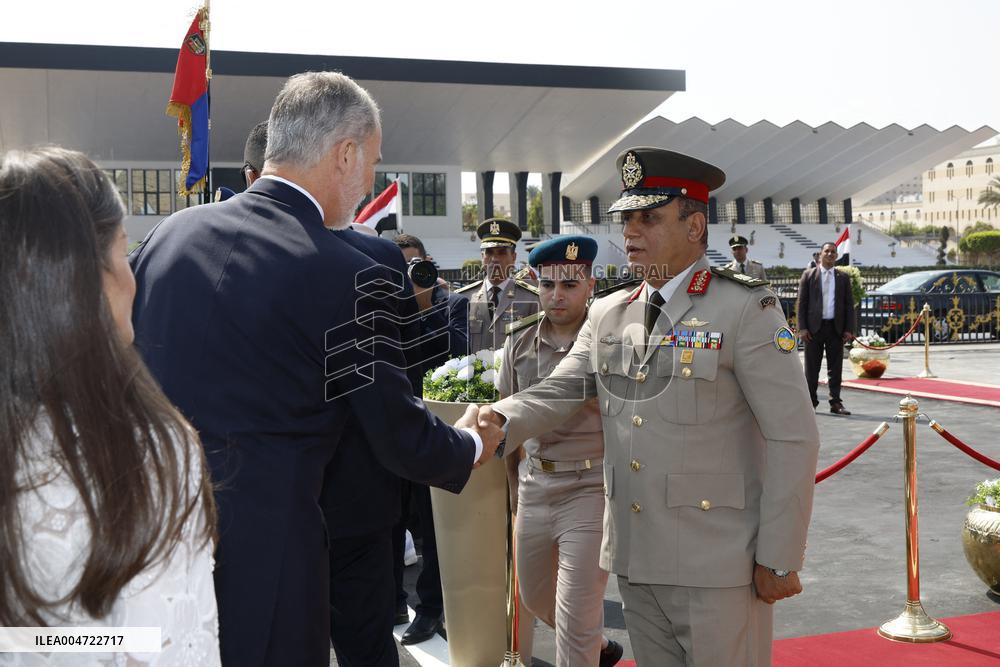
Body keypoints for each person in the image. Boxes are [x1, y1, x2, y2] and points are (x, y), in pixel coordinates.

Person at [129, 71, 502, 666]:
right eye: (373, 162)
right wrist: (469, 444)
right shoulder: (346, 274)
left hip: (157, 530)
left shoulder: (168, 235)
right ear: (346, 154)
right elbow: (396, 430)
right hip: (270, 551)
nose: (370, 181)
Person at [481, 147, 820, 665]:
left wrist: (779, 555)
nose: (631, 233)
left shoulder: (745, 307)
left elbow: (793, 436)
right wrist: (500, 417)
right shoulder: (609, 312)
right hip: (637, 557)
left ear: (695, 226)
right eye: (626, 219)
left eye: (649, 218)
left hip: (718, 564)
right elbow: (564, 388)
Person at [0, 147, 220, 663]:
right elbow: (161, 649)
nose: (133, 278)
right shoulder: (139, 452)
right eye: (123, 252)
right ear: (82, 281)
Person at [497, 236, 624, 667]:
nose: (557, 295)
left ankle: (586, 644)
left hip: (590, 488)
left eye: (570, 285)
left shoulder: (613, 342)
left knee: (576, 617)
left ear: (590, 284)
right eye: (548, 284)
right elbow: (508, 429)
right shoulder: (518, 343)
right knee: (535, 599)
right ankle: (599, 648)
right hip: (535, 485)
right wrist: (514, 491)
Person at [389, 233, 471, 645]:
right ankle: (390, 599)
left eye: (416, 266)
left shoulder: (452, 304)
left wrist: (425, 306)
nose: (410, 276)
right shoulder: (381, 306)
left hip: (430, 428)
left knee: (433, 525)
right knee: (388, 519)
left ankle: (430, 608)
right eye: (401, 268)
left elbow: (457, 355)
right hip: (388, 426)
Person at [456, 218, 539, 352]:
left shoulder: (531, 299)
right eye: (489, 252)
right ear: (482, 256)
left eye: (501, 252)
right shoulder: (463, 298)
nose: (494, 259)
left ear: (514, 257)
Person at [797, 241, 856, 415]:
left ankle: (835, 403)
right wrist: (802, 328)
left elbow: (848, 305)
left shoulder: (843, 278)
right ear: (820, 254)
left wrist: (848, 329)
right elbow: (802, 303)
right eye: (827, 251)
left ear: (837, 256)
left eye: (833, 252)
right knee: (811, 368)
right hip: (813, 329)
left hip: (835, 328)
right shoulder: (809, 275)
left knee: (835, 368)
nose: (830, 254)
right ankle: (811, 402)